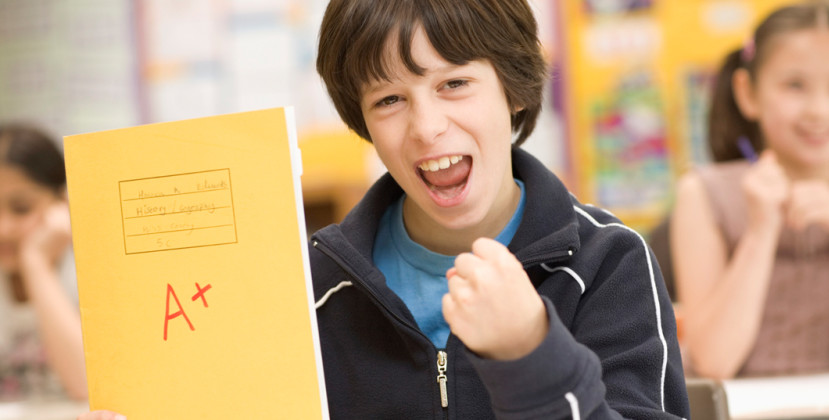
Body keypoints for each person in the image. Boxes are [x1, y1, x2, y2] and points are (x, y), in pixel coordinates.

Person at [80, 0, 689, 418]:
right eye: (390, 99)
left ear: (514, 89)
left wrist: (532, 351)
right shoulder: (311, 288)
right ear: (363, 121)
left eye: (454, 84)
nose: (426, 127)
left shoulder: (607, 263)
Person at [671, 2, 829, 379]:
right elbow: (713, 362)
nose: (820, 110)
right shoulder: (704, 194)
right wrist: (760, 231)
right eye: (795, 85)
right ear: (748, 93)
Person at [0, 123, 87, 401]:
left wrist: (36, 263)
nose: (3, 228)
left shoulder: (87, 276)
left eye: (21, 208)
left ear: (62, 200)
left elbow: (85, 387)